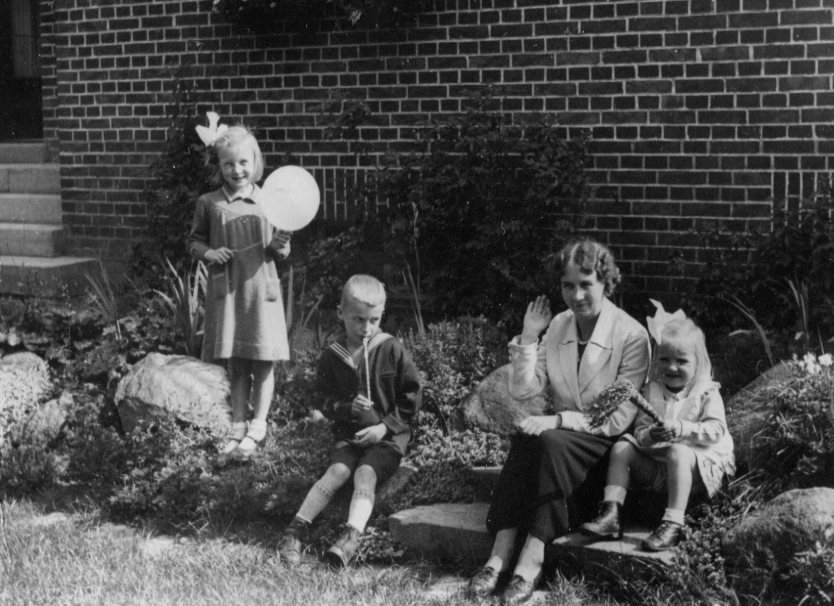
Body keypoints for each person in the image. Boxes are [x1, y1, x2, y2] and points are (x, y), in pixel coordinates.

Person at [468, 238, 651, 606]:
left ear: (605, 282)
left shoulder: (631, 336)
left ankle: (531, 557)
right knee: (528, 436)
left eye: (586, 284)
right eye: (568, 285)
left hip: (604, 450)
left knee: (549, 438)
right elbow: (524, 390)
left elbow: (618, 418)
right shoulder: (558, 326)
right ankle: (499, 554)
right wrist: (530, 336)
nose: (576, 295)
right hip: (563, 444)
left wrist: (558, 419)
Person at [277, 274, 422, 568]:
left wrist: (384, 426)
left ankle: (351, 536)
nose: (366, 328)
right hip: (349, 435)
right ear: (340, 313)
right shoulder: (333, 356)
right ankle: (295, 530)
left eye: (373, 320)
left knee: (365, 474)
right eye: (358, 320)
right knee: (337, 471)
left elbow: (413, 394)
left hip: (387, 438)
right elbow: (322, 399)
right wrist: (346, 409)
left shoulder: (390, 349)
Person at [579, 307, 735, 551]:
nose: (671, 367)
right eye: (664, 359)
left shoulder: (705, 392)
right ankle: (611, 512)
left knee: (678, 452)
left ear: (698, 363)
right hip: (660, 467)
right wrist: (651, 435)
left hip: (697, 469)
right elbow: (640, 433)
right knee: (622, 447)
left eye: (681, 361)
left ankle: (673, 522)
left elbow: (716, 431)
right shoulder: (651, 391)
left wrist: (682, 428)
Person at [186, 122, 291, 461]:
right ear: (219, 165)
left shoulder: (268, 201)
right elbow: (193, 242)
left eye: (244, 162)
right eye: (228, 163)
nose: (237, 170)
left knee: (262, 358)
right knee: (238, 361)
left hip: (261, 291)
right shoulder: (209, 203)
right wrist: (210, 253)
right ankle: (238, 425)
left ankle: (258, 426)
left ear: (255, 162)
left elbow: (278, 252)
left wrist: (280, 244)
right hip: (229, 293)